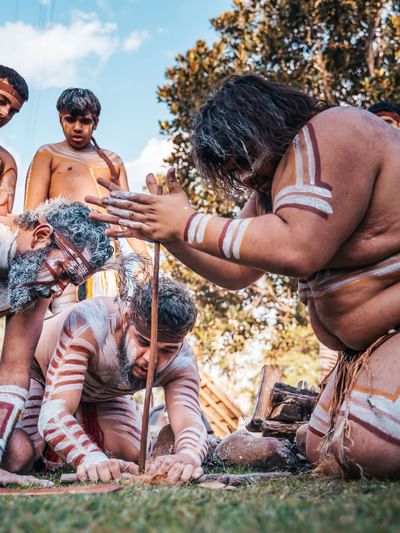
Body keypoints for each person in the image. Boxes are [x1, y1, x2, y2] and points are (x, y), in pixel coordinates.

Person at [88, 73, 400, 479]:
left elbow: (299, 248)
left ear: (264, 122)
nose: (245, 177)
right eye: (233, 170)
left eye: (244, 157)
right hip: (365, 350)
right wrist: (171, 234)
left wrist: (186, 223)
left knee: (365, 451)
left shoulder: (334, 128)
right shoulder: (271, 183)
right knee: (318, 445)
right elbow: (236, 273)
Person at [4, 275, 208, 484]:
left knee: (127, 453)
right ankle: (50, 449)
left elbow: (189, 420)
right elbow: (53, 412)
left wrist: (188, 456)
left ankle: (79, 432)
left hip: (100, 394)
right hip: (40, 374)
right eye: (143, 341)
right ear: (127, 318)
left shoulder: (182, 361)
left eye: (167, 350)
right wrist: (90, 457)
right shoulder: (90, 324)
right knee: (19, 456)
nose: (151, 359)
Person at [0, 199, 113, 485]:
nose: (59, 287)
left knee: (18, 454)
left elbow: (14, 368)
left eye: (70, 281)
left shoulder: (37, 282)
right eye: (63, 271)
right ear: (41, 235)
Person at [24, 88, 146, 312]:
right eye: (70, 120)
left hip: (106, 257)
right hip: (61, 255)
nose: (77, 127)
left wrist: (145, 259)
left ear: (96, 122)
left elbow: (126, 217)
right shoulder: (48, 154)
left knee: (105, 323)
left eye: (85, 121)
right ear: (61, 118)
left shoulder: (112, 161)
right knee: (65, 323)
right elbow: (32, 213)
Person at [0, 65, 29, 214]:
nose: (5, 113)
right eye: (1, 101)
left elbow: (2, 220)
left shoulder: (6, 162)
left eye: (13, 111)